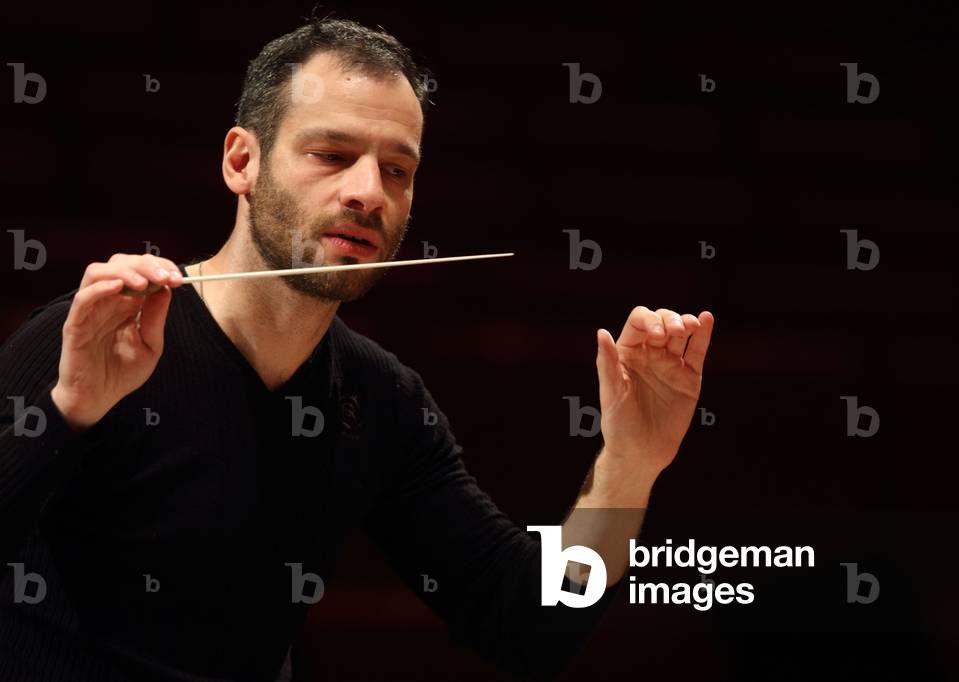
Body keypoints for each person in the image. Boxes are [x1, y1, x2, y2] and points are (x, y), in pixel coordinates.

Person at [0, 17, 715, 682]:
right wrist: (67, 413)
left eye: (396, 170)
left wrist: (629, 463)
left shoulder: (379, 400)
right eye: (332, 154)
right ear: (242, 160)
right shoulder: (93, 342)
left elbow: (525, 625)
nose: (369, 192)